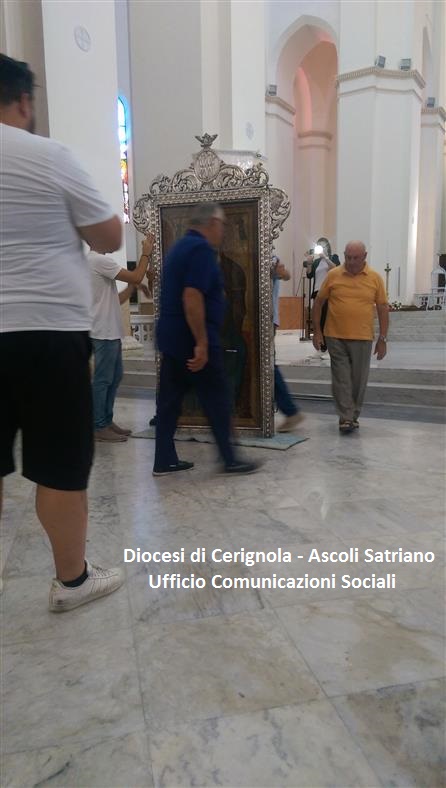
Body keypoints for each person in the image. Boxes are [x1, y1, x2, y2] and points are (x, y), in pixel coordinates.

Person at [0, 54, 124, 611]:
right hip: (47, 331)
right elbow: (108, 236)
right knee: (59, 465)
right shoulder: (49, 156)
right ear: (24, 101)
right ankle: (72, 582)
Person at [154, 202, 259, 475]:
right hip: (193, 342)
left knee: (169, 403)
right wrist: (201, 342)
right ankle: (230, 458)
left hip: (173, 340)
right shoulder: (200, 249)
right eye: (222, 226)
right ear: (212, 223)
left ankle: (163, 459)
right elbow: (192, 297)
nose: (223, 232)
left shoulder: (179, 248)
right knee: (217, 399)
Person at [312, 240, 389, 433]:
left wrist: (383, 339)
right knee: (341, 378)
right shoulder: (333, 275)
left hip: (363, 337)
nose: (351, 262)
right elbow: (319, 302)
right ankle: (346, 417)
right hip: (335, 335)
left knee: (358, 380)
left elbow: (382, 307)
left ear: (364, 257)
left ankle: (353, 415)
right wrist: (317, 331)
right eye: (348, 257)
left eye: (355, 258)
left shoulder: (375, 278)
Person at [89, 233, 154, 442]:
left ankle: (106, 421)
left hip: (109, 331)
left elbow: (117, 299)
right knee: (103, 380)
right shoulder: (99, 260)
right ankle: (99, 425)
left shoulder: (96, 262)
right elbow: (136, 276)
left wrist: (133, 286)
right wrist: (146, 253)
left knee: (114, 377)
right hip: (103, 332)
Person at [272, 256, 304, 432]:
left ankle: (290, 411)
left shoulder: (270, 257)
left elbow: (286, 275)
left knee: (267, 366)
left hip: (266, 320)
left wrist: (276, 270)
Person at [304, 237, 340, 357]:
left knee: (327, 319)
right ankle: (321, 346)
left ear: (327, 246)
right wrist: (309, 263)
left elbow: (336, 269)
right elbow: (309, 275)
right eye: (318, 245)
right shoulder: (316, 262)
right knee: (318, 320)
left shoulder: (333, 257)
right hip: (317, 292)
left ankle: (329, 347)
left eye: (322, 245)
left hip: (329, 292)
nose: (320, 247)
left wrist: (325, 257)